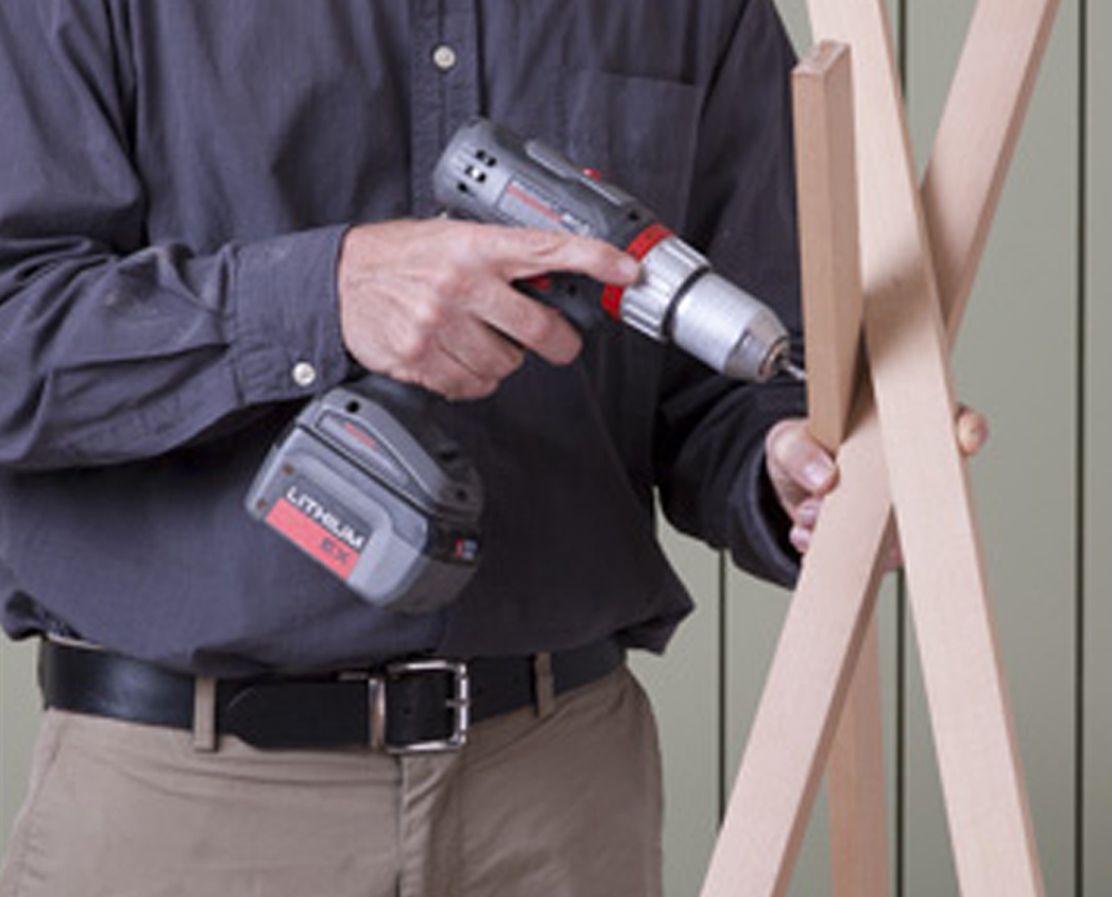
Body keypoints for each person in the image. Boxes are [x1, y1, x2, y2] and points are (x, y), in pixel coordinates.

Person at [0, 2, 986, 895]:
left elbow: (742, 381)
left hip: (561, 802)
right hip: (190, 805)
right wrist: (323, 294)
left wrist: (794, 470)